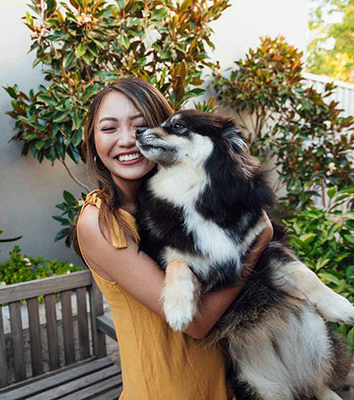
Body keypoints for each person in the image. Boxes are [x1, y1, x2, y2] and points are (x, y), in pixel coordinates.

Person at [71, 77, 273, 400]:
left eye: (139, 127)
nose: (127, 140)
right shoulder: (100, 221)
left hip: (223, 387)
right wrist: (257, 240)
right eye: (109, 128)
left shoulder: (177, 207)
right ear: (93, 142)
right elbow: (196, 322)